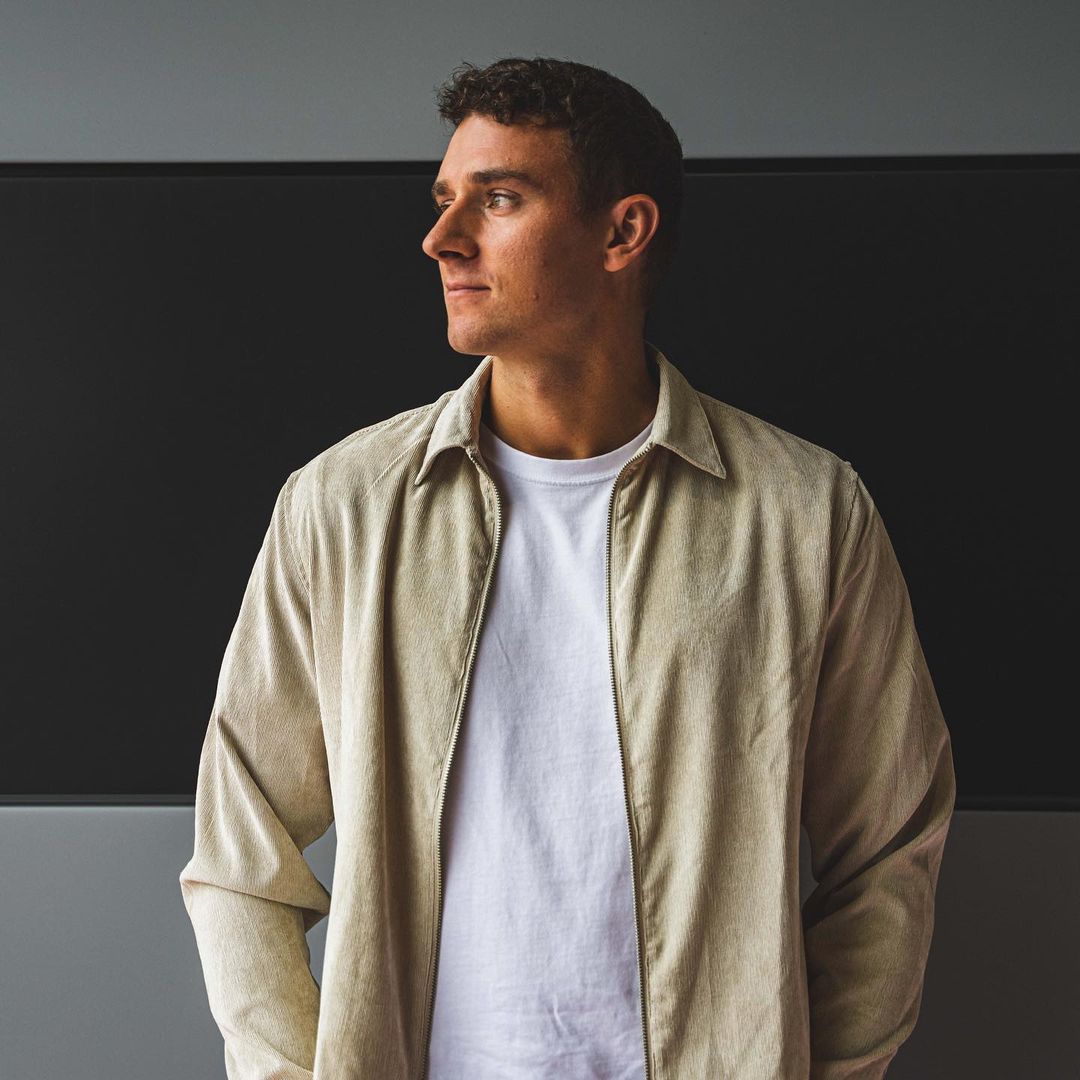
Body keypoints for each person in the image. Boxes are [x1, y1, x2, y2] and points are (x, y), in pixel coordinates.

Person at [179, 56, 956, 1080]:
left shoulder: (806, 513)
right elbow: (242, 856)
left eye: (498, 198)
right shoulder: (344, 508)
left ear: (622, 233)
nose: (442, 238)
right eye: (445, 200)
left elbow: (888, 849)